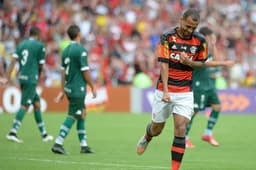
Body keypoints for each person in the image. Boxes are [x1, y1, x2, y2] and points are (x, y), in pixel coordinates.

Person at [136, 8, 209, 170]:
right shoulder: (167, 37)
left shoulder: (200, 41)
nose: (190, 30)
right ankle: (147, 136)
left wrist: (189, 63)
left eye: (193, 28)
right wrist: (167, 91)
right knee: (157, 129)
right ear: (181, 20)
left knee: (181, 127)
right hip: (165, 89)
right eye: (188, 26)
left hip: (185, 92)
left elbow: (202, 64)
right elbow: (164, 64)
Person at [51, 24, 97, 155]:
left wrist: (62, 90)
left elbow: (62, 73)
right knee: (73, 114)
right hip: (78, 88)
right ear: (79, 34)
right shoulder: (81, 50)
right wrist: (92, 86)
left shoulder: (65, 50)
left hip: (69, 87)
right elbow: (85, 71)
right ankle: (58, 143)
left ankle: (84, 145)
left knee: (82, 113)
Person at [185, 27, 234, 148]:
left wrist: (213, 45)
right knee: (194, 112)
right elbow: (206, 64)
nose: (212, 39)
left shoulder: (208, 49)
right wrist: (224, 63)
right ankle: (184, 138)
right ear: (204, 37)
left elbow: (215, 62)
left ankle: (208, 134)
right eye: (210, 38)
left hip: (209, 85)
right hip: (199, 85)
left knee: (217, 106)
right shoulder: (197, 49)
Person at [5, 26, 53, 143]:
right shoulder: (40, 46)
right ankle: (13, 132)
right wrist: (39, 75)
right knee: (25, 105)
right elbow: (41, 65)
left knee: (36, 104)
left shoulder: (21, 45)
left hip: (22, 77)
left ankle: (44, 134)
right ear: (38, 35)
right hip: (31, 78)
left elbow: (13, 61)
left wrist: (7, 77)